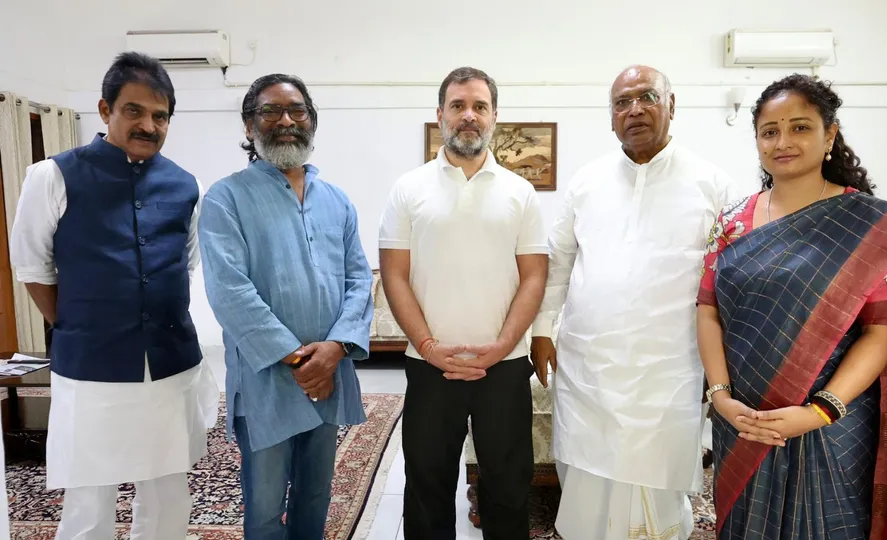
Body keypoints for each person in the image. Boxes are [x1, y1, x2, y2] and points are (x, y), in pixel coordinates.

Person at [696, 73, 887, 540]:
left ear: (830, 135)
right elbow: (708, 310)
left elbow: (882, 330)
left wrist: (820, 411)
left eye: (800, 127)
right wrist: (721, 397)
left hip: (831, 418)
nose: (783, 141)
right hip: (743, 415)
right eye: (770, 131)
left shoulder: (867, 224)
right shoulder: (732, 221)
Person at [8, 51, 219, 539]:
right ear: (105, 110)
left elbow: (185, 264)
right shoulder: (53, 176)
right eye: (134, 111)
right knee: (89, 497)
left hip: (170, 365)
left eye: (160, 115)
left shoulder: (188, 185)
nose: (149, 124)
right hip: (91, 368)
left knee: (168, 490)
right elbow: (32, 266)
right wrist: (78, 323)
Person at [529, 65, 736, 540]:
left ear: (671, 105)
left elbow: (728, 281)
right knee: (585, 475)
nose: (635, 109)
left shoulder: (713, 184)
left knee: (657, 477)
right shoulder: (586, 181)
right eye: (622, 102)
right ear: (611, 117)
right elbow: (558, 263)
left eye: (647, 97)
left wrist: (720, 366)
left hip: (669, 366)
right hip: (589, 364)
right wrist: (543, 331)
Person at [198, 73, 374, 539]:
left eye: (297, 111)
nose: (286, 121)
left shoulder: (336, 201)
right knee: (264, 505)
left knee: (316, 494)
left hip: (329, 373)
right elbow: (229, 291)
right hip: (268, 380)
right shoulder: (226, 198)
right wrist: (298, 359)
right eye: (271, 112)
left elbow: (359, 278)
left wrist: (335, 348)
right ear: (248, 125)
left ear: (312, 120)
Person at [378, 66, 548, 540]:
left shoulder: (521, 192)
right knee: (427, 489)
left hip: (506, 366)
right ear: (440, 115)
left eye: (479, 106)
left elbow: (535, 276)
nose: (468, 115)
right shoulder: (408, 189)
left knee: (508, 488)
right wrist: (429, 347)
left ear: (495, 117)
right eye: (458, 105)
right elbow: (394, 274)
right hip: (431, 367)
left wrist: (503, 345)